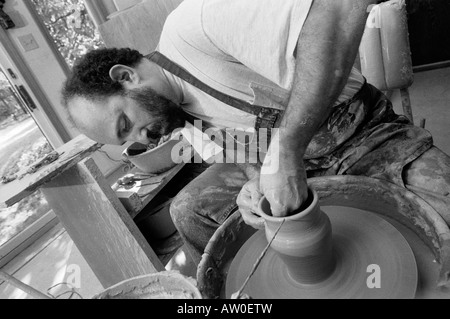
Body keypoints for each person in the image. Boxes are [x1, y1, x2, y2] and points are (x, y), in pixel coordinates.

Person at [61, 0, 450, 266]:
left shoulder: (194, 27)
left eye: (125, 125)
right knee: (189, 209)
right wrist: (253, 185)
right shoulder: (180, 120)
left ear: (126, 77)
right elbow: (245, 152)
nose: (142, 142)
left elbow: (335, 12)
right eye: (128, 142)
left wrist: (286, 150)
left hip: (365, 135)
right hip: (298, 166)